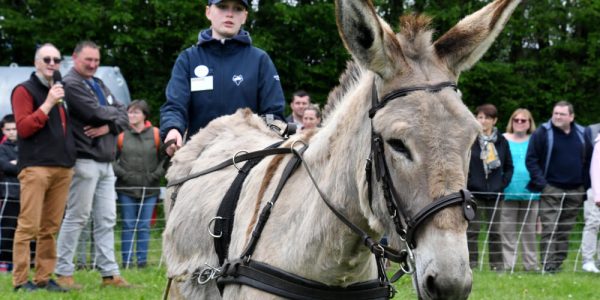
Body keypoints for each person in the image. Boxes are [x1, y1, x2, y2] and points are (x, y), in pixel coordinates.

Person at [160, 0, 285, 157]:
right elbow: (175, 106)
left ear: (245, 16)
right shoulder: (189, 59)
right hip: (199, 160)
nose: (230, 14)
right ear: (208, 12)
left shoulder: (260, 60)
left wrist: (277, 139)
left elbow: (273, 115)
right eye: (222, 7)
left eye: (238, 9)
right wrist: (172, 129)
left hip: (248, 161)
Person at [54, 41, 130, 289]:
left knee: (107, 218)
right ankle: (63, 273)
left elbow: (124, 113)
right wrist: (112, 115)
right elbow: (94, 113)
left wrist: (110, 126)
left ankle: (110, 275)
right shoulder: (71, 83)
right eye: (88, 59)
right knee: (77, 216)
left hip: (107, 162)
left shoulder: (97, 83)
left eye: (96, 60)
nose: (93, 64)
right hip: (84, 159)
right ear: (75, 58)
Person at [10, 43, 76, 292]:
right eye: (47, 59)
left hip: (63, 167)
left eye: (57, 60)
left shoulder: (61, 90)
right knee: (28, 226)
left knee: (50, 228)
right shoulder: (23, 90)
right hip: (36, 167)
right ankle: (20, 281)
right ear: (36, 62)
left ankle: (44, 278)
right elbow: (24, 128)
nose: (52, 64)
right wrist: (48, 103)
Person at [526, 100, 587, 273]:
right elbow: (531, 159)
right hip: (551, 188)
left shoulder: (582, 134)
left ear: (571, 116)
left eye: (562, 114)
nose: (558, 117)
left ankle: (558, 263)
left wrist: (585, 186)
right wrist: (543, 185)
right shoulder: (543, 133)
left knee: (565, 229)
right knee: (549, 228)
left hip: (576, 189)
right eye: (555, 113)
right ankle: (548, 265)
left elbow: (589, 160)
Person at [113, 100, 165, 269]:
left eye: (136, 112)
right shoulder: (121, 135)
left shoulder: (156, 134)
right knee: (128, 225)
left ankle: (142, 262)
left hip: (150, 189)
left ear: (144, 115)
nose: (132, 116)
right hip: (125, 189)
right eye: (130, 112)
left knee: (144, 226)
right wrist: (123, 174)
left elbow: (166, 158)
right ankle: (126, 262)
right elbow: (111, 159)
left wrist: (156, 175)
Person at [467, 103, 513, 271]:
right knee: (472, 230)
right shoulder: (470, 139)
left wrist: (501, 184)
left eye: (487, 117)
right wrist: (470, 183)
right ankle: (471, 264)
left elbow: (509, 167)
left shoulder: (502, 141)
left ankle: (496, 265)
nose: (483, 121)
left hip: (495, 193)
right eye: (480, 117)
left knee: (495, 231)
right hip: (474, 192)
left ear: (494, 120)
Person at [499, 108, 539, 272]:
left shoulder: (535, 140)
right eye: (517, 120)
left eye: (524, 120)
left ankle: (531, 265)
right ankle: (509, 265)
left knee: (529, 231)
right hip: (508, 191)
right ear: (512, 122)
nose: (520, 123)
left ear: (530, 123)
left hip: (531, 193)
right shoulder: (503, 139)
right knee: (507, 231)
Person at [0, 115, 19, 274]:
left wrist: (16, 164)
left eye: (15, 129)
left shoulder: (28, 146)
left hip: (28, 193)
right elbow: (6, 167)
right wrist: (20, 164)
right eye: (9, 129)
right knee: (7, 228)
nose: (12, 132)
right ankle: (5, 262)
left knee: (27, 229)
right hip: (9, 194)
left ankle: (27, 260)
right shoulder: (2, 148)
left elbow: (32, 164)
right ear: (3, 131)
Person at [581, 122, 600, 273]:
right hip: (596, 191)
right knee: (593, 224)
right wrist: (597, 194)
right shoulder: (597, 140)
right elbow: (594, 170)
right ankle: (588, 260)